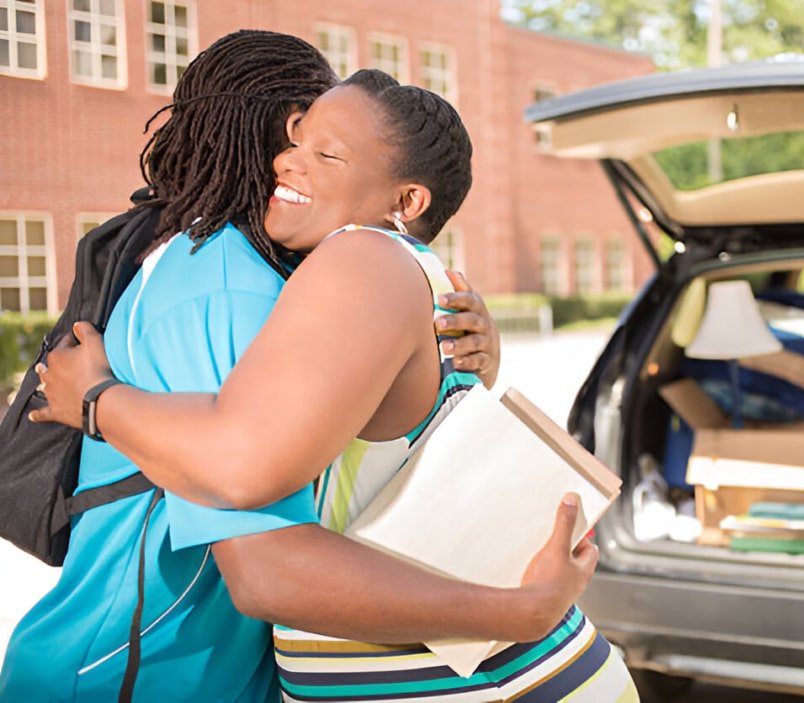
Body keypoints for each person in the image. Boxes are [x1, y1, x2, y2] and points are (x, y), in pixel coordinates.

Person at [0, 32, 583, 703]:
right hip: (137, 672)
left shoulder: (307, 275)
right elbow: (263, 553)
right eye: (298, 135)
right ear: (255, 133)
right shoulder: (225, 281)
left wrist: (459, 366)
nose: (291, 161)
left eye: (326, 148)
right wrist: (98, 402)